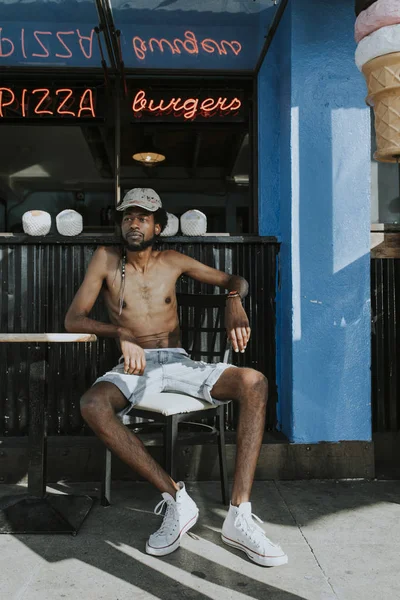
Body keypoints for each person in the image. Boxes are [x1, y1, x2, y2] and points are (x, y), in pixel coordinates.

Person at [65, 188, 287, 567]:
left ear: (159, 225)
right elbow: (74, 319)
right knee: (92, 404)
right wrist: (121, 334)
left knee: (255, 382)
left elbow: (235, 279)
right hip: (136, 365)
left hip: (180, 362)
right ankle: (176, 498)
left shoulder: (173, 260)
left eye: (143, 217)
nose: (133, 223)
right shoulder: (105, 259)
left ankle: (239, 515)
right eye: (128, 216)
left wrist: (233, 299)